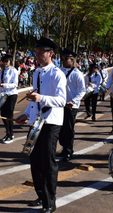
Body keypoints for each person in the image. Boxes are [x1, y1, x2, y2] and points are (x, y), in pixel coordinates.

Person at [15, 36, 66, 213]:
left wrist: (41, 98)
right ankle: (40, 195)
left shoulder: (57, 74)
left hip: (51, 123)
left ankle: (50, 201)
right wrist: (26, 114)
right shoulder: (37, 73)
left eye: (40, 53)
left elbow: (61, 100)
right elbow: (33, 101)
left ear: (50, 53)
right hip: (36, 121)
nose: (37, 56)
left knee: (48, 162)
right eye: (36, 53)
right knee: (34, 161)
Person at [58, 48, 86, 162]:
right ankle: (64, 148)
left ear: (72, 60)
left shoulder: (77, 74)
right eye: (62, 59)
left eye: (65, 59)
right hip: (60, 104)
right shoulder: (59, 71)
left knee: (69, 129)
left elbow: (82, 90)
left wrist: (73, 101)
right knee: (60, 129)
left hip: (71, 106)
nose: (63, 61)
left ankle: (68, 151)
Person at [0, 54, 19, 143]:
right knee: (3, 114)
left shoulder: (13, 71)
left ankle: (11, 134)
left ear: (10, 61)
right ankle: (7, 132)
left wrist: (6, 85)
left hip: (11, 94)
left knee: (9, 114)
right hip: (3, 94)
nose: (5, 63)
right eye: (4, 61)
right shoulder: (2, 71)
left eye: (7, 61)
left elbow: (15, 84)